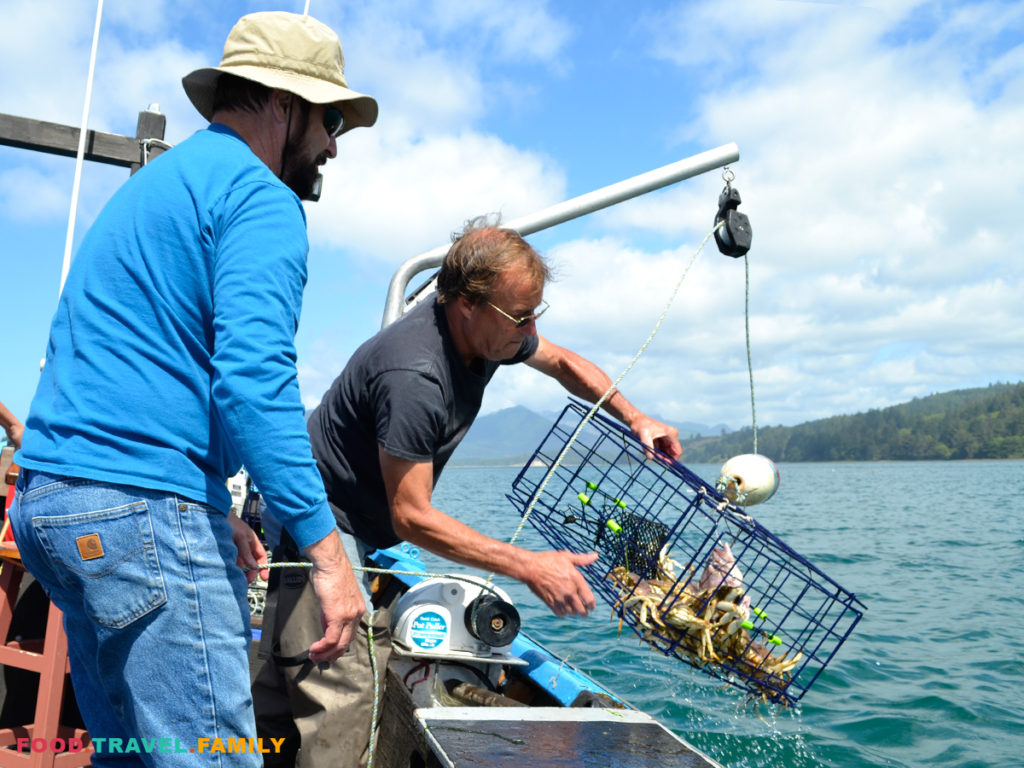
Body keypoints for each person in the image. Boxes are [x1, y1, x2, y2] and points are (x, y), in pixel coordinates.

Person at [9, 12, 376, 766]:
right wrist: (331, 560)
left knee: (129, 751)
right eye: (331, 118)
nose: (335, 143)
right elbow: (252, 381)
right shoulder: (262, 198)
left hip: (53, 503)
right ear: (284, 104)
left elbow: (160, 359)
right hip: (139, 507)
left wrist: (208, 506)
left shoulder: (161, 184)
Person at [252, 220, 683, 767]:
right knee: (342, 700)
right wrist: (530, 566)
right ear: (463, 304)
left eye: (535, 314)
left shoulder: (492, 332)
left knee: (278, 691)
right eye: (518, 316)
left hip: (332, 516)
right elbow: (412, 517)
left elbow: (564, 363)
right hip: (322, 522)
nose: (528, 328)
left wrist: (635, 416)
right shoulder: (416, 374)